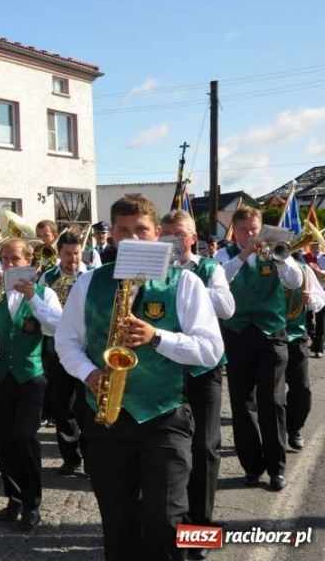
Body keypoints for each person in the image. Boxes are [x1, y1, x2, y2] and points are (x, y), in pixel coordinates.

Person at [56, 195, 223, 561]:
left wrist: (157, 337)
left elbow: (210, 350)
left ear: (157, 232)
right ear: (113, 235)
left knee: (166, 518)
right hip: (107, 418)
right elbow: (66, 342)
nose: (131, 239)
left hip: (165, 416)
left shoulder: (185, 284)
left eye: (141, 230)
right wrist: (89, 373)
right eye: (123, 231)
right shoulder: (88, 284)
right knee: (118, 521)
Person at [161, 210, 235, 561]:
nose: (175, 241)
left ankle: (200, 531)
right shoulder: (153, 268)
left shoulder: (210, 268)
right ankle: (169, 526)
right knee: (171, 453)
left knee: (204, 450)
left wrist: (190, 285)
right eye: (169, 234)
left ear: (193, 238)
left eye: (181, 235)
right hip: (165, 372)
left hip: (203, 371)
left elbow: (227, 308)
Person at [214, 207, 303, 492]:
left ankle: (276, 467)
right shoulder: (223, 256)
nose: (251, 235)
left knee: (273, 400)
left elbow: (294, 281)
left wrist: (281, 259)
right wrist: (244, 254)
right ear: (234, 231)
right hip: (237, 333)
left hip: (271, 333)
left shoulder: (275, 252)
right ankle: (252, 466)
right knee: (242, 402)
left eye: (255, 229)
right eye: (244, 230)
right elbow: (220, 280)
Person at [0, 238, 61, 531]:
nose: (8, 264)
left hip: (30, 377)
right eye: (4, 259)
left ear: (30, 262)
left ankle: (32, 502)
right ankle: (14, 498)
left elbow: (56, 326)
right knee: (4, 440)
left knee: (24, 436)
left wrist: (32, 298)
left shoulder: (45, 293)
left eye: (14, 259)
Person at [37, 230, 90, 476]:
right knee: (61, 407)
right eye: (67, 254)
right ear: (58, 254)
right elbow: (41, 315)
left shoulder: (90, 277)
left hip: (87, 349)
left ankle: (91, 458)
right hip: (55, 350)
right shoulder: (46, 278)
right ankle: (70, 457)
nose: (73, 259)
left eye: (76, 253)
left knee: (87, 407)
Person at [284, 254, 325, 453]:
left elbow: (320, 298)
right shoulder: (261, 266)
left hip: (294, 334)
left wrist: (310, 300)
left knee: (301, 386)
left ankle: (294, 428)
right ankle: (269, 435)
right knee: (265, 391)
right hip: (264, 335)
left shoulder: (302, 268)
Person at [305, 241, 325, 358]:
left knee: (321, 321)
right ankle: (313, 337)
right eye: (313, 244)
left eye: (317, 244)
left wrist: (318, 272)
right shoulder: (304, 257)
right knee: (306, 318)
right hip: (307, 291)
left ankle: (318, 348)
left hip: (322, 291)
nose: (315, 247)